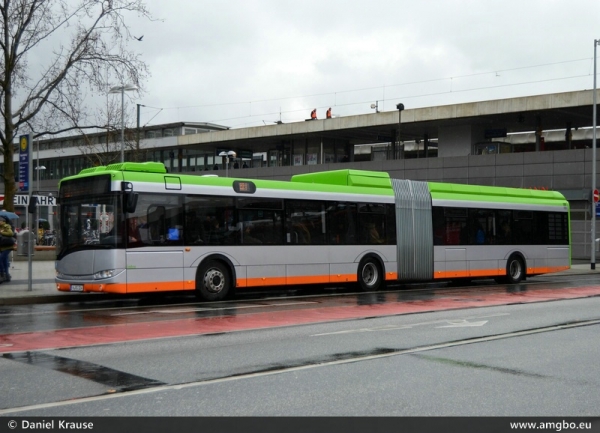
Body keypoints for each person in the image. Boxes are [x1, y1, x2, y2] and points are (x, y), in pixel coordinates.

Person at [0, 216, 15, 282]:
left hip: (7, 246)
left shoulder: (6, 226)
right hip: (2, 246)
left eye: (0, 221)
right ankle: (7, 275)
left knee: (1, 259)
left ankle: (2, 274)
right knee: (5, 261)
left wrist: (1, 232)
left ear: (3, 221)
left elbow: (10, 233)